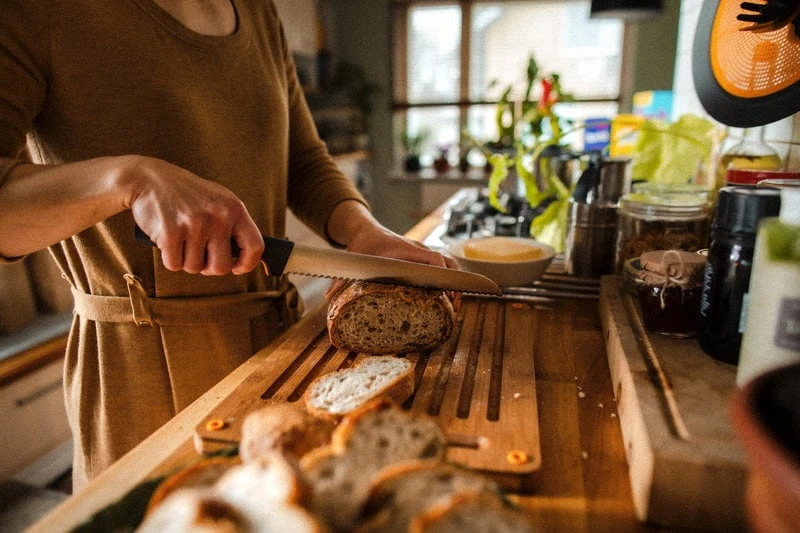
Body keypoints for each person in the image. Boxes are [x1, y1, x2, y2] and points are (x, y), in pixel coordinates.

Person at [0, 0, 454, 490]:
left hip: (277, 349)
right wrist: (128, 179)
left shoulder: (259, 12)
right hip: (141, 379)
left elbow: (302, 159)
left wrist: (364, 234)